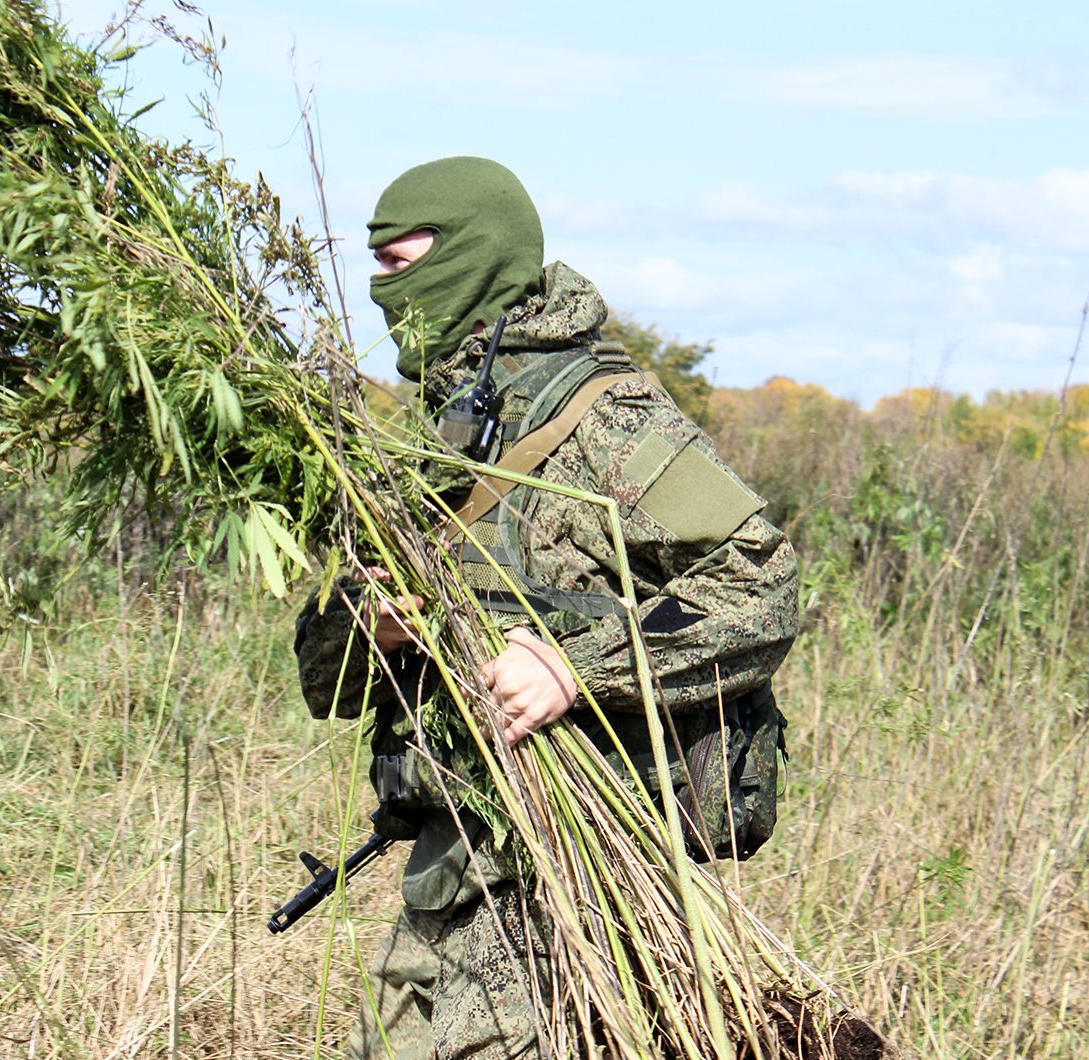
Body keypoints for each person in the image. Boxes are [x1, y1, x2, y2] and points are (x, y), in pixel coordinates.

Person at [292, 156, 800, 1060]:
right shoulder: (426, 432)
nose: (384, 292)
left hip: (572, 874)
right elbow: (325, 683)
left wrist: (572, 667)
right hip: (448, 865)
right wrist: (367, 625)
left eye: (405, 265)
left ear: (477, 258)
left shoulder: (605, 415)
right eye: (378, 272)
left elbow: (760, 582)